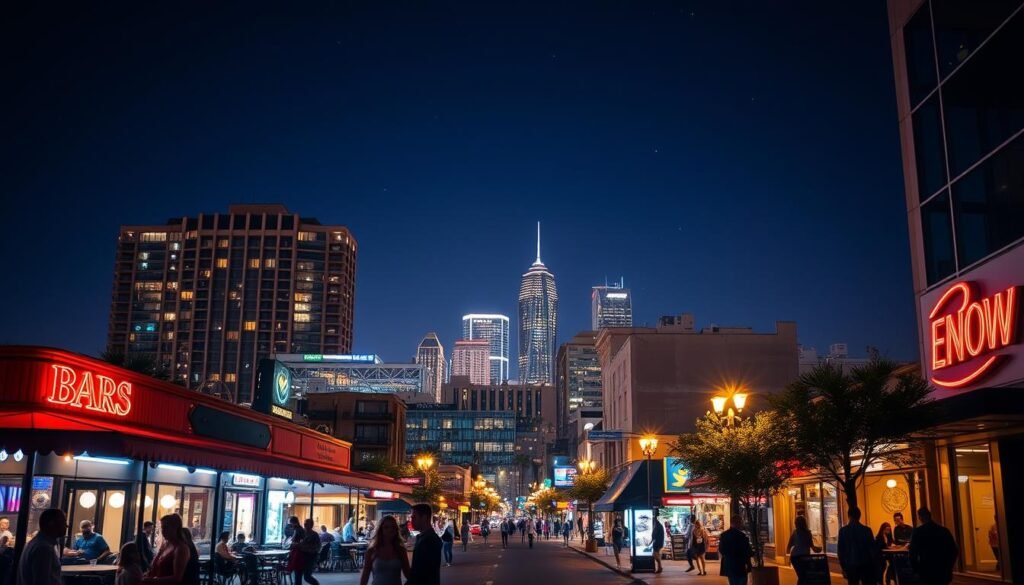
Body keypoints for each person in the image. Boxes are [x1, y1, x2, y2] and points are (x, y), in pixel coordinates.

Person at [908, 507, 957, 585]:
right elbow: (953, 551)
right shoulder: (944, 531)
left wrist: (916, 570)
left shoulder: (918, 532)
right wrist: (949, 567)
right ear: (930, 515)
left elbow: (912, 554)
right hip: (942, 570)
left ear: (920, 517)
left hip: (926, 571)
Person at [17, 508, 66, 585]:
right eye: (63, 522)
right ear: (51, 523)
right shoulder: (44, 548)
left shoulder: (35, 543)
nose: (66, 526)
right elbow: (41, 581)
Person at [359, 516, 410, 585]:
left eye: (393, 527)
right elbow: (365, 575)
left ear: (396, 530)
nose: (390, 530)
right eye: (386, 527)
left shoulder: (401, 550)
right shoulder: (372, 550)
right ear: (380, 530)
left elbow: (408, 573)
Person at [142, 514, 191, 585]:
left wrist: (152, 580)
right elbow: (154, 566)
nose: (163, 531)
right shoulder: (165, 545)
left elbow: (177, 578)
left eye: (166, 528)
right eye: (162, 528)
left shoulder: (181, 548)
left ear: (175, 527)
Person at [837, 507, 877, 585]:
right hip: (865, 564)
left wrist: (843, 567)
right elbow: (872, 549)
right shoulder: (867, 530)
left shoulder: (843, 531)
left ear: (849, 516)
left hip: (850, 564)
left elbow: (840, 550)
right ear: (859, 516)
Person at [408, 504, 441, 585]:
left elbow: (422, 573)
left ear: (424, 517)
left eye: (414, 517)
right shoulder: (423, 537)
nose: (411, 521)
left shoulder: (429, 540)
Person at [719, 514, 753, 585]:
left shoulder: (724, 535)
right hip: (740, 565)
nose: (742, 524)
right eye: (741, 522)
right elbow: (747, 551)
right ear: (738, 523)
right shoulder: (742, 536)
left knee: (733, 582)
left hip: (729, 564)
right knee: (742, 581)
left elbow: (722, 550)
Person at [788, 516, 819, 584]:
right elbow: (811, 546)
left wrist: (788, 555)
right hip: (804, 557)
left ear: (796, 523)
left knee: (802, 576)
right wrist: (817, 549)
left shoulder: (795, 532)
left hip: (795, 557)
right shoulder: (807, 533)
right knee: (803, 576)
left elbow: (789, 544)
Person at [297, 519, 322, 585]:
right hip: (300, 557)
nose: (305, 524)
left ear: (311, 525)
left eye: (307, 523)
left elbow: (318, 546)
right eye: (304, 523)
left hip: (310, 557)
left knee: (307, 576)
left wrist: (308, 549)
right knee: (298, 576)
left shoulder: (314, 535)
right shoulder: (301, 533)